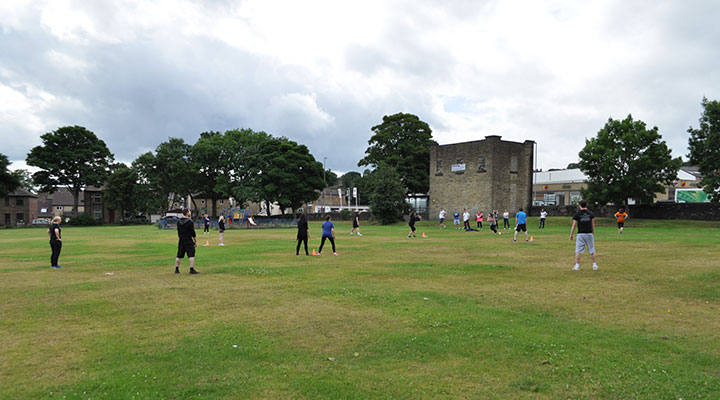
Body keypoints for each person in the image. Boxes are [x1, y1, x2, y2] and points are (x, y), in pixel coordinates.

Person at [570, 200, 598, 271]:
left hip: (580, 234)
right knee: (592, 250)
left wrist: (571, 234)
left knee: (578, 251)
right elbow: (593, 224)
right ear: (586, 205)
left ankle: (577, 266)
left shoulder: (577, 214)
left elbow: (574, 225)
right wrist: (592, 233)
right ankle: (594, 265)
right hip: (589, 233)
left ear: (580, 205)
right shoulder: (591, 214)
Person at [175, 209, 199, 274]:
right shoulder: (190, 222)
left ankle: (176, 269)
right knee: (191, 254)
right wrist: (195, 241)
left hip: (181, 240)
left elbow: (178, 231)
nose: (190, 212)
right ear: (187, 213)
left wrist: (180, 238)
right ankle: (191, 269)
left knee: (179, 255)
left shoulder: (178, 221)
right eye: (189, 211)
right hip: (188, 240)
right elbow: (192, 232)